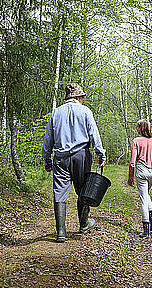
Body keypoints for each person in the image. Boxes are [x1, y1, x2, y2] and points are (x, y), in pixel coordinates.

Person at [42, 83, 106, 243]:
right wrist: (101, 154)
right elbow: (94, 134)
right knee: (84, 189)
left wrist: (47, 159)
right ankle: (84, 223)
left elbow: (48, 139)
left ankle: (61, 232)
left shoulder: (56, 113)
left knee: (59, 192)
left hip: (61, 157)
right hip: (81, 156)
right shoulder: (85, 111)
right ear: (78, 97)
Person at [127, 119, 152, 237]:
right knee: (146, 195)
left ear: (141, 128)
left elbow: (132, 162)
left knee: (143, 198)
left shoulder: (136, 141)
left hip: (141, 170)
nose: (136, 129)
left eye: (137, 127)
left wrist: (130, 176)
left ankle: (146, 230)